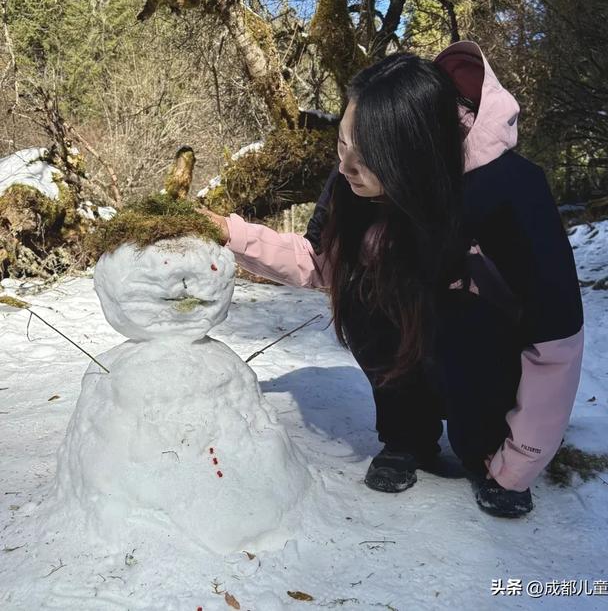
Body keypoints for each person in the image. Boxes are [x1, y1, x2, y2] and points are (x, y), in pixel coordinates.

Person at [199, 41, 584, 519]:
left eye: (364, 156)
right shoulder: (354, 175)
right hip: (423, 341)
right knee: (364, 291)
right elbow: (319, 261)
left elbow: (556, 342)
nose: (344, 167)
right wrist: (228, 232)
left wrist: (519, 462)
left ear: (413, 155)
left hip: (490, 358)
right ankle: (408, 436)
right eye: (342, 143)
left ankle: (484, 444)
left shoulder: (510, 193)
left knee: (461, 316)